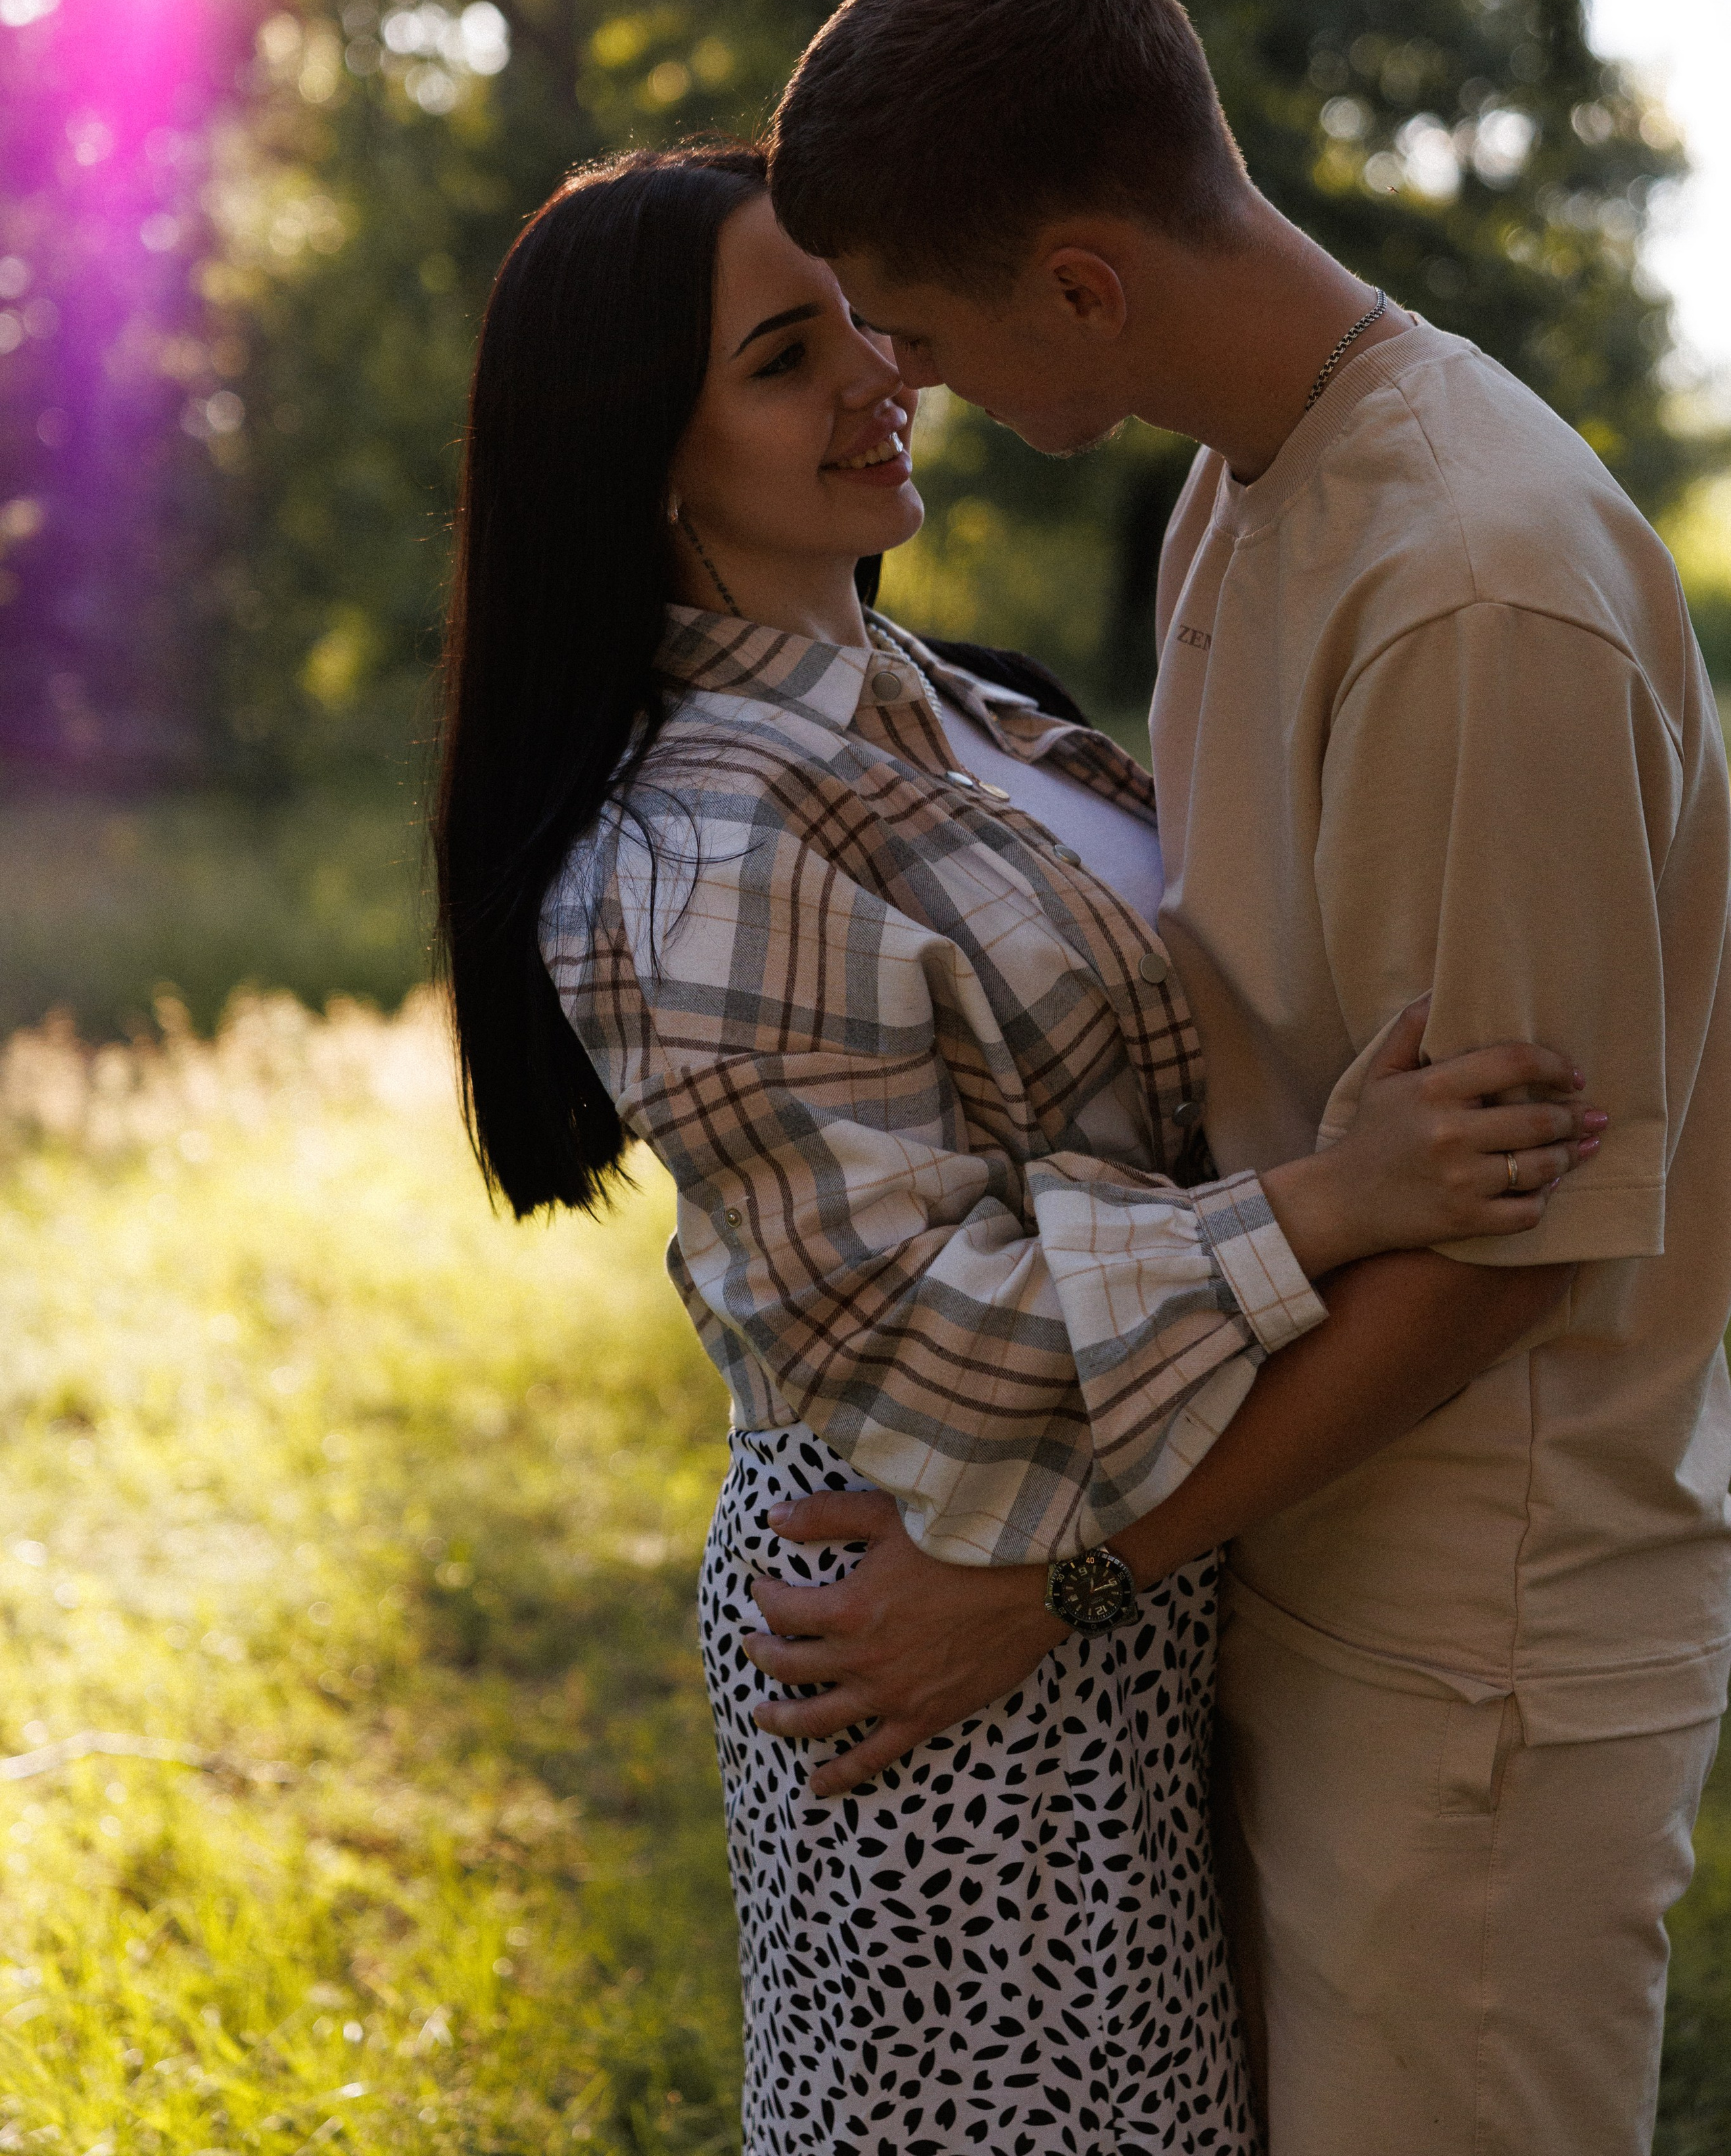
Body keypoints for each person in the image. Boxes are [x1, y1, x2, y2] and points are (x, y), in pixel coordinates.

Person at [433, 138, 1605, 2156]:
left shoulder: (944, 704)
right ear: (646, 457)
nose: (879, 376)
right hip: (920, 1586)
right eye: (787, 360)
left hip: (1101, 1561)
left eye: (863, 322)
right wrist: (1334, 1201)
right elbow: (936, 1327)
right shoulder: (699, 844)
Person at [760, 0, 1731, 2156]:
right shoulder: (1247, 484)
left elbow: (1511, 1250)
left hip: (1472, 1642)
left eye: (917, 320)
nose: (901, 378)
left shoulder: (1478, 591)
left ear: (1083, 284)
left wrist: (1059, 1578)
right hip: (1295, 1560)